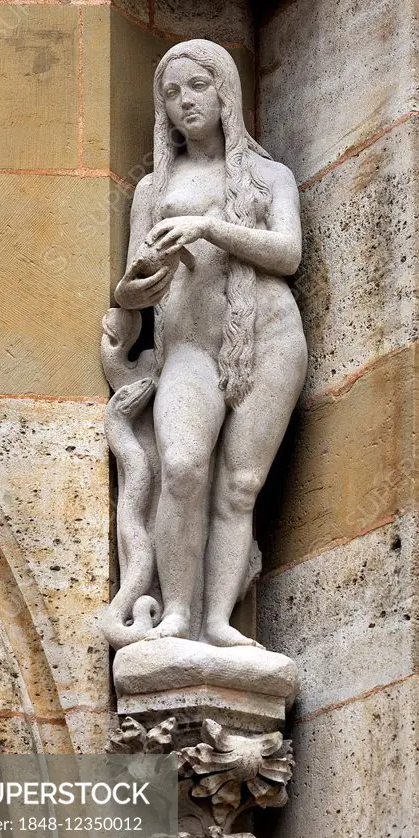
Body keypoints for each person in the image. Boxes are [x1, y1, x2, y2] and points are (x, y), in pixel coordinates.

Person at [113, 39, 307, 648]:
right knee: (183, 465)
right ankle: (176, 613)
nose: (183, 102)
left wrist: (209, 228)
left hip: (269, 335)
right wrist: (144, 279)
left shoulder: (268, 175)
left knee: (241, 484)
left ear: (225, 90)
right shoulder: (154, 188)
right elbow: (131, 294)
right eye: (170, 93)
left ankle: (218, 620)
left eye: (196, 86)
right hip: (189, 342)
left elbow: (289, 252)